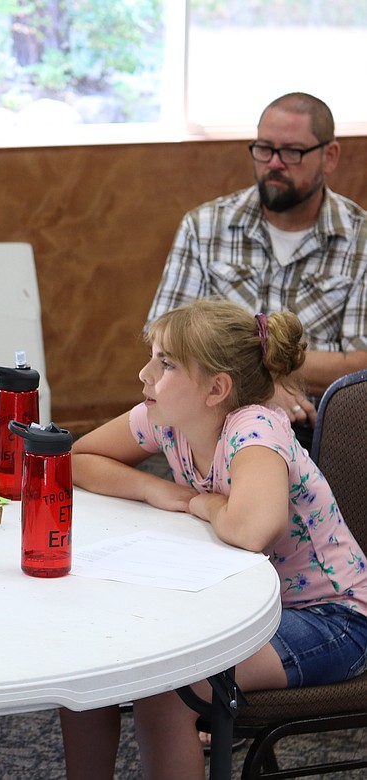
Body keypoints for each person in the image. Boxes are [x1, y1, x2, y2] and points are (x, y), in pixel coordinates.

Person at [59, 299, 367, 780]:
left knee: (166, 686)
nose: (144, 375)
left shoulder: (255, 427)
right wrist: (162, 491)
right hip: (242, 604)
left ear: (217, 388)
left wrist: (202, 504)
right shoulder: (169, 419)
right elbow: (77, 458)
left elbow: (251, 528)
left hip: (335, 620)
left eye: (165, 364)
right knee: (91, 658)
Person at [147, 92, 367, 447]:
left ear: (329, 156)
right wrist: (262, 391)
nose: (274, 163)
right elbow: (165, 345)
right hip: (212, 427)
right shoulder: (204, 227)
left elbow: (360, 365)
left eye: (292, 151)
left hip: (320, 434)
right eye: (264, 148)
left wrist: (249, 374)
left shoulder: (361, 239)